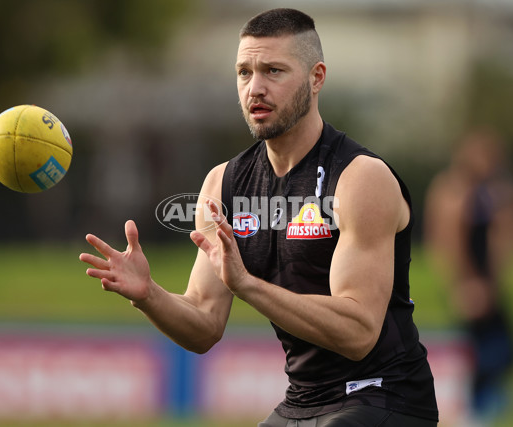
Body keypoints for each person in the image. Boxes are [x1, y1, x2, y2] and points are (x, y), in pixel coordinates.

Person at [80, 8, 438, 426]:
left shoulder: (359, 178)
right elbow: (204, 324)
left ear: (316, 77)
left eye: (273, 71)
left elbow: (357, 333)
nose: (255, 88)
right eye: (244, 72)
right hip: (302, 402)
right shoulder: (224, 185)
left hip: (384, 395)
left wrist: (248, 285)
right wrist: (148, 295)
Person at [424, 128, 513, 424]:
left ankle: (478, 403)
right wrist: (463, 284)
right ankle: (469, 408)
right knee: (478, 349)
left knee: (505, 347)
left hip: (488, 283)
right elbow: (447, 240)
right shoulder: (453, 190)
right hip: (468, 283)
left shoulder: (494, 189)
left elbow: (509, 229)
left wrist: (494, 281)